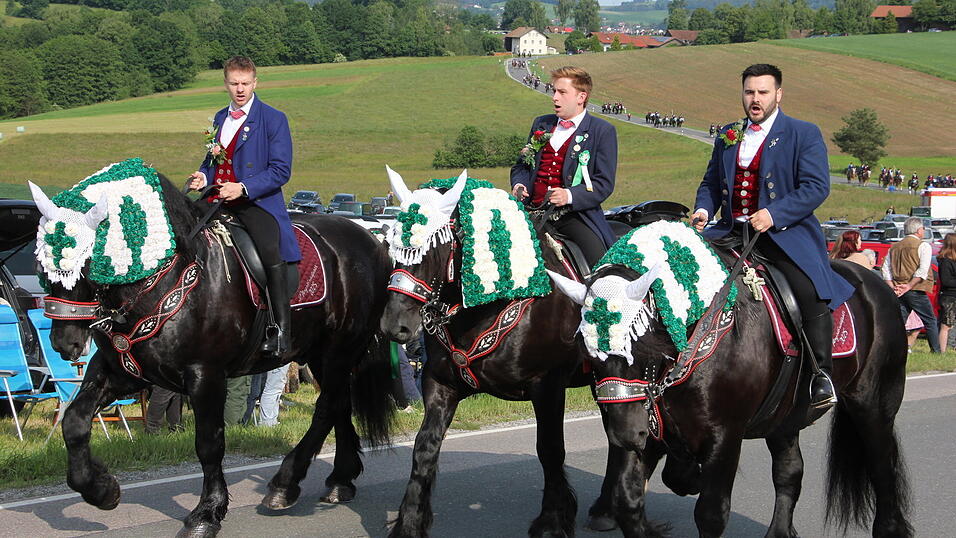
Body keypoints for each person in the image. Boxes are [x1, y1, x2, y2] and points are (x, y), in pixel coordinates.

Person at [691, 63, 853, 411]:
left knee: (808, 291)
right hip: (730, 232)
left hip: (784, 235)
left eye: (763, 92)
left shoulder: (802, 133)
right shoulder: (728, 135)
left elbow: (816, 187)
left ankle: (820, 375)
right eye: (749, 92)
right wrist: (703, 210)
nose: (755, 99)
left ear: (778, 94)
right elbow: (710, 183)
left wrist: (774, 214)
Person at [187, 56, 301, 356]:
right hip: (216, 199)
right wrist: (202, 175)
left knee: (269, 253)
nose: (240, 89)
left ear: (255, 82)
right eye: (234, 84)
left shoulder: (274, 119)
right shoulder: (219, 117)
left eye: (245, 83)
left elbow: (280, 170)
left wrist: (243, 187)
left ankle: (280, 331)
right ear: (226, 84)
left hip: (256, 203)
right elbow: (214, 161)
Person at [510, 66, 617, 267]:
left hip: (573, 216)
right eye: (554, 91)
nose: (554, 98)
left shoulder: (602, 131)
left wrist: (568, 195)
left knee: (602, 267)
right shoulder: (541, 124)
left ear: (581, 96)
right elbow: (522, 167)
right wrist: (519, 185)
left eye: (562, 92)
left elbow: (603, 183)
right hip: (529, 211)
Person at [881, 217, 941, 353]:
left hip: (898, 289)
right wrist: (908, 285)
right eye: (923, 229)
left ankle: (893, 348)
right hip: (916, 289)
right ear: (919, 230)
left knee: (899, 321)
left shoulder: (894, 247)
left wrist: (893, 287)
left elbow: (886, 270)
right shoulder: (923, 246)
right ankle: (936, 351)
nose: (924, 231)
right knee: (930, 320)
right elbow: (922, 271)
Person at [936, 233, 956, 352]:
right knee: (946, 325)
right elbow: (946, 280)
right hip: (949, 297)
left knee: (951, 325)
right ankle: (942, 351)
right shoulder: (945, 261)